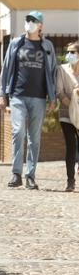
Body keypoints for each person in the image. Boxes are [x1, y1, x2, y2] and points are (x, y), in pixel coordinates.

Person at [0, 10, 57, 190]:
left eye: (33, 21)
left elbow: (52, 71)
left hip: (39, 98)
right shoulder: (16, 43)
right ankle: (16, 174)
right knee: (18, 132)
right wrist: (2, 93)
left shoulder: (47, 46)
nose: (29, 23)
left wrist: (52, 96)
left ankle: (30, 175)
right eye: (27, 20)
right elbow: (6, 69)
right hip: (17, 95)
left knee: (34, 138)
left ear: (40, 26)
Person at [56, 42, 79, 192]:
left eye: (73, 52)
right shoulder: (62, 70)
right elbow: (59, 91)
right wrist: (72, 102)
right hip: (66, 114)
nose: (69, 55)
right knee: (71, 146)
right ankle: (70, 181)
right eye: (68, 52)